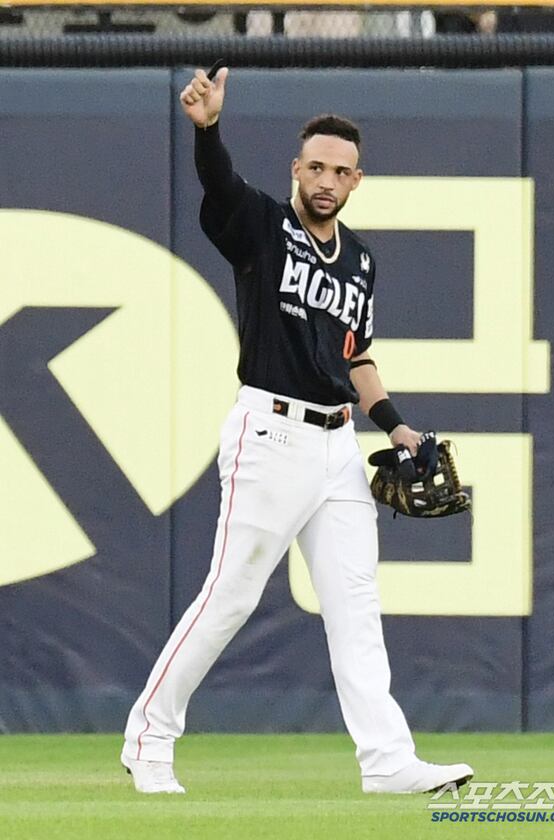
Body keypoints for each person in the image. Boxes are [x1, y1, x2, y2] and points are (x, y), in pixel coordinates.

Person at [121, 66, 474, 795]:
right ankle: (149, 738)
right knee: (230, 595)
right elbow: (219, 186)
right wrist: (208, 130)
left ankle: (387, 762)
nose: (326, 180)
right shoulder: (263, 226)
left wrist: (397, 428)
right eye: (316, 167)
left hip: (337, 445)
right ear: (296, 169)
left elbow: (357, 358)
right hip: (271, 432)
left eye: (340, 171)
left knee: (356, 604)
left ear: (356, 181)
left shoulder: (361, 260)